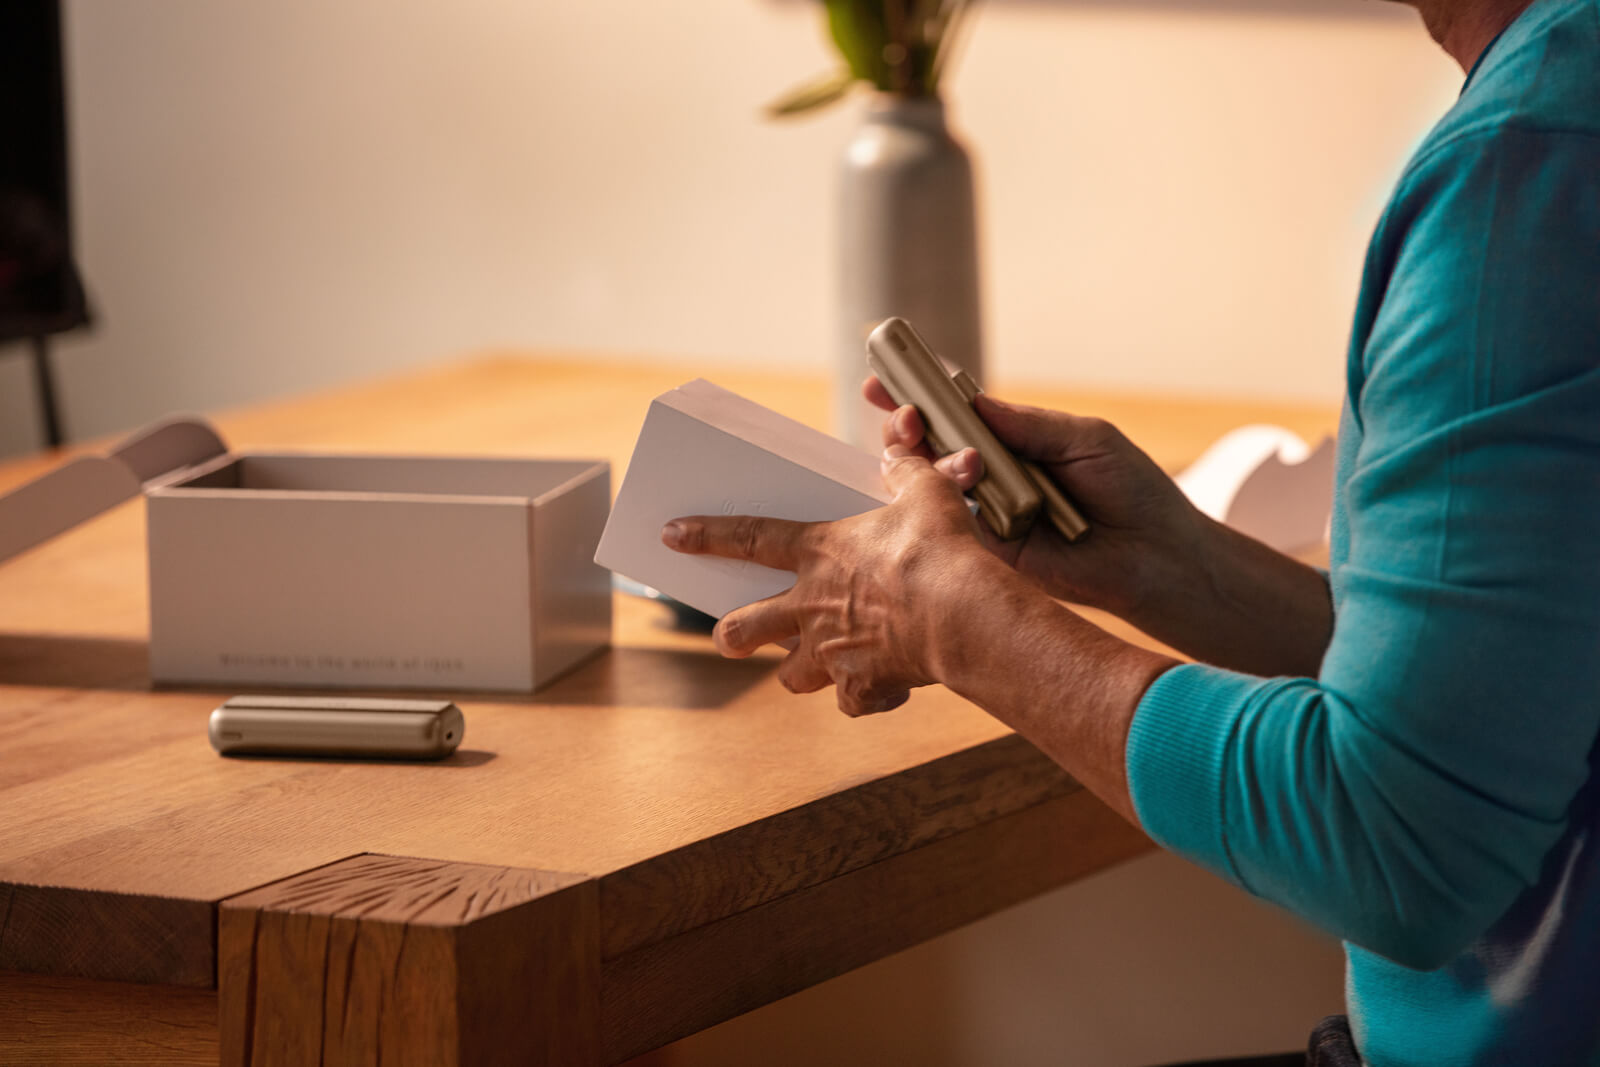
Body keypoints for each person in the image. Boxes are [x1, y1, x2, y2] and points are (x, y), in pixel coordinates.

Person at [662, 0, 1600, 1061]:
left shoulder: (1530, 168)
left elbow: (1396, 847)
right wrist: (1174, 565)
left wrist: (952, 621)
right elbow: (1516, 692)